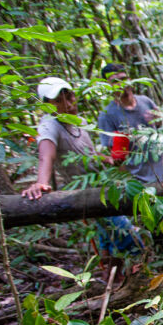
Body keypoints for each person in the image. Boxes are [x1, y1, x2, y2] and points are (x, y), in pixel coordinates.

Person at [22, 77, 141, 282]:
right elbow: (46, 154)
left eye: (69, 97)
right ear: (47, 105)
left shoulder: (81, 123)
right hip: (84, 194)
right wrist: (41, 181)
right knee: (130, 238)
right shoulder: (49, 125)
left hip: (102, 186)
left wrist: (108, 159)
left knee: (107, 240)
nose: (68, 104)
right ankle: (139, 275)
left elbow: (89, 154)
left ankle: (112, 280)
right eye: (58, 101)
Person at [98, 63, 163, 183]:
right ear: (108, 86)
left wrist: (160, 120)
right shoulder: (107, 116)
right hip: (141, 178)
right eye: (115, 81)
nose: (121, 84)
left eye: (123, 79)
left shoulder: (145, 101)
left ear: (130, 80)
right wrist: (128, 183)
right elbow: (118, 157)